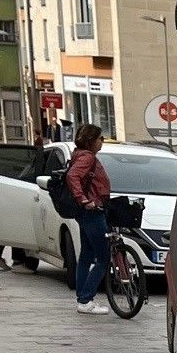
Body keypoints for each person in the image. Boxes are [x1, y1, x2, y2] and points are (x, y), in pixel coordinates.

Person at [68, 123, 112, 314]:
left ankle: (82, 299)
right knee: (103, 258)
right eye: (100, 138)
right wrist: (84, 200)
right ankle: (86, 299)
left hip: (86, 212)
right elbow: (72, 176)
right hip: (92, 211)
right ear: (92, 141)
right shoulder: (87, 157)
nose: (102, 142)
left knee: (86, 255)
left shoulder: (79, 154)